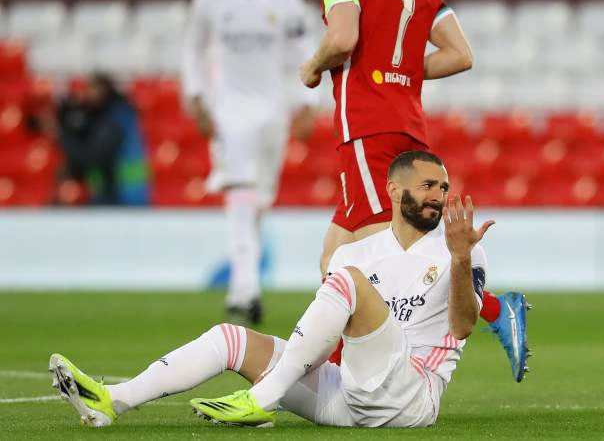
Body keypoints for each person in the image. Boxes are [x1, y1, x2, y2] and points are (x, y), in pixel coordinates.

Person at [50, 150, 495, 429]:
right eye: (428, 185)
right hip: (347, 397)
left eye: (444, 187)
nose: (439, 194)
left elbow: (462, 327)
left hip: (411, 398)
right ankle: (112, 400)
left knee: (348, 280)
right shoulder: (355, 252)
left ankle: (264, 398)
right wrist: (284, 367)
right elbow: (323, 340)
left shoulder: (463, 251)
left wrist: (459, 258)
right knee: (231, 338)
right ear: (394, 189)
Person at [299, 0, 529, 380]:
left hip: (367, 129)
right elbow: (460, 54)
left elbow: (342, 37)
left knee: (382, 262)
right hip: (405, 126)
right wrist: (397, 67)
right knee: (334, 256)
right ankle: (330, 367)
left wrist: (313, 65)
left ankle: (490, 310)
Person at [180, 0, 318, 326]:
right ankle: (246, 289)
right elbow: (192, 50)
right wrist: (196, 97)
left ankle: (245, 281)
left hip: (274, 114)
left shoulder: (287, 1)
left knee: (257, 202)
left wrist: (307, 103)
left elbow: (305, 51)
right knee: (239, 194)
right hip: (229, 113)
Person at [50, 74, 149, 206]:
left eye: (91, 89)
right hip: (120, 192)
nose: (86, 94)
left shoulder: (114, 119)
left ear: (103, 91)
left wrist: (61, 137)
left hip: (122, 194)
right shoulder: (118, 114)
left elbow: (94, 154)